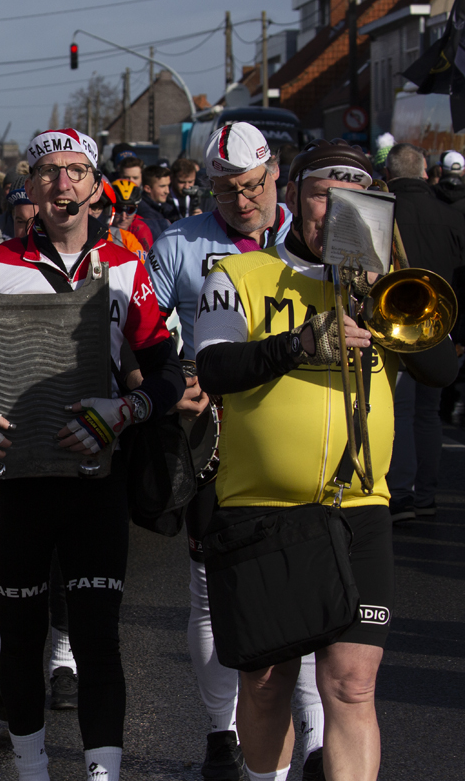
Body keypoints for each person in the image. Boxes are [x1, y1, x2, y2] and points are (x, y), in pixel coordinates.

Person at [193, 139, 457, 781]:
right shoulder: (241, 275)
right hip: (263, 510)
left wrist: (381, 287)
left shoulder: (388, 286)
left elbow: (443, 368)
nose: (335, 211)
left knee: (352, 686)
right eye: (321, 195)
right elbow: (214, 368)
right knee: (266, 683)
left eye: (354, 200)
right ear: (293, 197)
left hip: (360, 508)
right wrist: (300, 343)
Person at [0, 128, 185, 781]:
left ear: (96, 185)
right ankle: (30, 769)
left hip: (93, 479)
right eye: (47, 172)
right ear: (28, 187)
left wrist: (128, 410)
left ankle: (102, 774)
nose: (62, 183)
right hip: (17, 480)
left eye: (76, 171)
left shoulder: (128, 268)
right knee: (20, 640)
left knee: (97, 639)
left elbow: (168, 373)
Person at [146, 122, 326, 781]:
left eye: (252, 186)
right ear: (206, 185)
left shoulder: (315, 239)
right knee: (207, 593)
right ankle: (221, 734)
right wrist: (174, 378)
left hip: (304, 431)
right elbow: (145, 335)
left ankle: (315, 738)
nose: (242, 201)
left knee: (309, 580)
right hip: (215, 441)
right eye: (226, 190)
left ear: (275, 173)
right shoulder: (178, 245)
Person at [382, 143, 465, 521]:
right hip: (439, 326)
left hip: (392, 324)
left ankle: (400, 494)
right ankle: (426, 494)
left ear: (389, 175)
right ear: (426, 174)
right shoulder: (451, 216)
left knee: (399, 411)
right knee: (429, 415)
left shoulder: (382, 214)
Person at [110, 178, 156, 250]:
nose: (124, 217)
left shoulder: (141, 228)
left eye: (130, 210)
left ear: (137, 208)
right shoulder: (102, 222)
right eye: (118, 209)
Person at [137, 165, 173, 239]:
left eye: (168, 186)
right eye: (162, 186)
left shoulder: (165, 206)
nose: (167, 191)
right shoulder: (146, 214)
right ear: (147, 188)